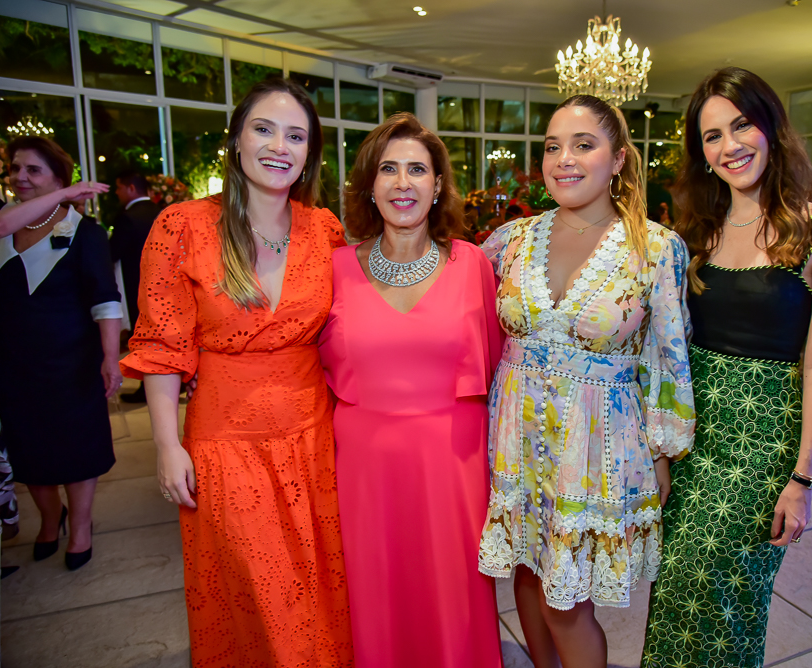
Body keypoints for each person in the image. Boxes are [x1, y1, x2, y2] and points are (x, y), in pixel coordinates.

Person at [120, 77, 353, 666]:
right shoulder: (181, 227)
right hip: (225, 441)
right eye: (263, 129)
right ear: (236, 140)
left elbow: (351, 329)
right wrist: (167, 445)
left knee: (319, 593)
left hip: (315, 438)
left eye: (295, 135)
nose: (279, 146)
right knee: (254, 595)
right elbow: (162, 346)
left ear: (310, 152)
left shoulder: (324, 229)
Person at [642, 67, 812, 667]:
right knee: (675, 590)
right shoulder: (695, 234)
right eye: (712, 136)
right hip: (693, 437)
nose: (730, 146)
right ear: (701, 154)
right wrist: (659, 450)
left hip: (761, 442)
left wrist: (803, 480)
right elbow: (669, 346)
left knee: (722, 592)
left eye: (742, 126)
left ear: (771, 128)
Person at [478, 95, 695, 668]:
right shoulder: (509, 241)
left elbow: (667, 357)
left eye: (583, 144)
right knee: (527, 573)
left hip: (596, 444)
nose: (564, 159)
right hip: (516, 437)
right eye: (553, 146)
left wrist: (663, 451)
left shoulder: (655, 247)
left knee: (566, 602)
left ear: (618, 159)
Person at [319, 112, 504, 667]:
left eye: (417, 170)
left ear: (438, 184)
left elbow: (497, 365)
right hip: (364, 469)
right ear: (369, 185)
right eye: (388, 169)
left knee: (453, 598)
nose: (403, 183)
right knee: (375, 594)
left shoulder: (472, 264)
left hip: (453, 466)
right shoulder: (334, 268)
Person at [0, 137, 122, 572]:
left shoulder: (86, 233)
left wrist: (111, 357)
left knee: (76, 445)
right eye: (15, 168)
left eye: (33, 169)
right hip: (13, 358)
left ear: (59, 179)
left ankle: (80, 527)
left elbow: (106, 300)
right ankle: (49, 518)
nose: (20, 177)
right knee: (28, 445)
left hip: (71, 359)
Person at [109, 169, 162, 403]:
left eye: (119, 187)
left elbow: (112, 253)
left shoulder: (128, 217)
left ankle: (147, 386)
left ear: (131, 188)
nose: (117, 193)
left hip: (137, 285)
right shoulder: (161, 211)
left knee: (143, 336)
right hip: (166, 284)